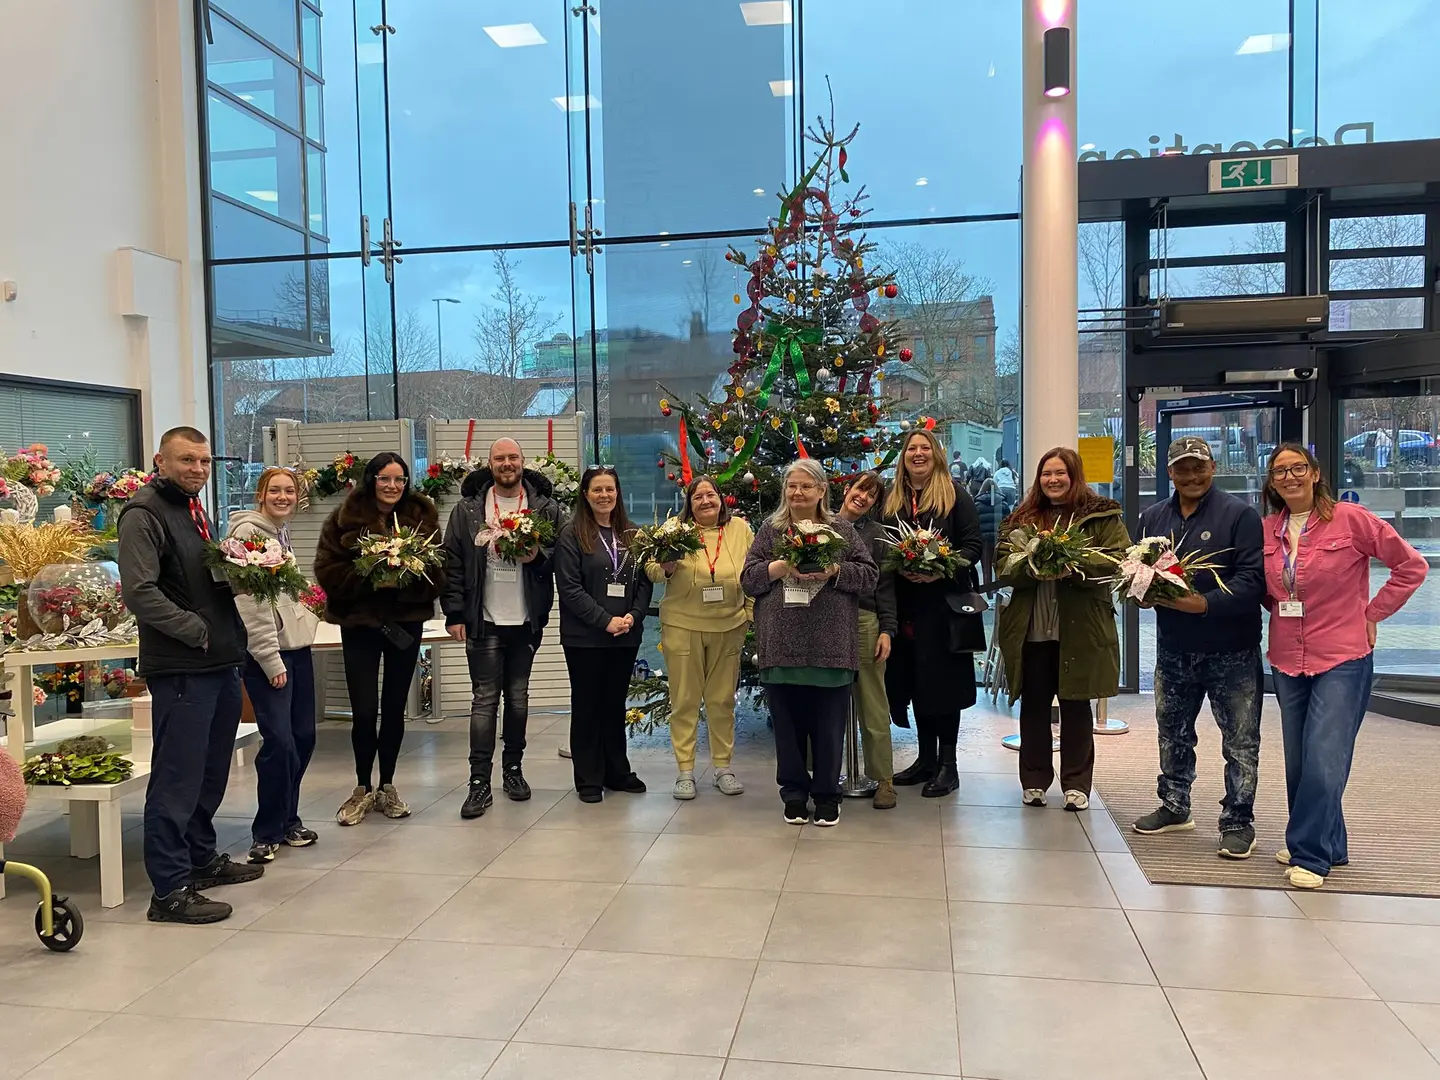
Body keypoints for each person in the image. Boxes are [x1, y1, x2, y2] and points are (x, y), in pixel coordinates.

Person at [1261, 444, 1426, 889]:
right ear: (1272, 482)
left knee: (1325, 757)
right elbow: (1268, 590)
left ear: (1315, 473)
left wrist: (1373, 613)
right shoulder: (1268, 530)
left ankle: (1311, 855)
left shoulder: (1351, 519)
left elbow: (1411, 566)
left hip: (1342, 656)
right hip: (1287, 657)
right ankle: (1329, 842)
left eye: (1298, 468)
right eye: (1280, 471)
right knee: (1299, 760)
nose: (1290, 477)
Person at [118, 426, 261, 925]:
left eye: (203, 461)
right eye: (186, 460)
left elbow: (202, 577)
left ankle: (200, 859)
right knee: (177, 778)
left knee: (210, 771)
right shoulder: (143, 513)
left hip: (218, 661)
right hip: (182, 666)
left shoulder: (194, 509)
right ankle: (169, 889)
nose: (198, 469)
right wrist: (196, 630)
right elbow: (139, 591)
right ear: (160, 461)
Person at [1132, 436, 1266, 860]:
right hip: (1174, 647)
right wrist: (1139, 593)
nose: (1191, 476)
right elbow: (1137, 571)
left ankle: (1238, 822)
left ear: (1213, 468)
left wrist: (1204, 603)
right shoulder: (1152, 517)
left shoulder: (1240, 515)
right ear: (1169, 472)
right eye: (1182, 468)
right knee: (1172, 732)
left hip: (1232, 650)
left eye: (1199, 467)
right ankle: (1175, 805)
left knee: (1240, 741)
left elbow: (1253, 581)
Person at [742, 458, 878, 826]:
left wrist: (834, 570)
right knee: (788, 731)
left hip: (830, 648)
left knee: (829, 730)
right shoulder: (771, 530)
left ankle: (827, 795)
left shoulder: (841, 530)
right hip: (781, 647)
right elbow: (748, 579)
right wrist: (781, 566)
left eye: (806, 486)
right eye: (792, 486)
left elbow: (869, 576)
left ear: (821, 491)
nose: (798, 492)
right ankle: (794, 794)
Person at [314, 452, 443, 826]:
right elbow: (326, 570)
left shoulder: (422, 517)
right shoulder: (343, 518)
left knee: (394, 708)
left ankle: (387, 785)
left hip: (405, 625)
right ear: (371, 480)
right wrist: (370, 576)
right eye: (385, 478)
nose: (392, 486)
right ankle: (362, 787)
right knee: (365, 709)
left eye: (399, 479)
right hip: (360, 626)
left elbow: (439, 573)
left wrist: (402, 581)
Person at [996, 448, 1128, 811]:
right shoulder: (1021, 517)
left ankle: (1076, 785)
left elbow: (1118, 560)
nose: (1052, 480)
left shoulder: (1102, 515)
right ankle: (1034, 780)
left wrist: (1073, 564)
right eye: (1046, 474)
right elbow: (1002, 565)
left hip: (1080, 628)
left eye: (1060, 473)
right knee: (1034, 706)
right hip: (1033, 628)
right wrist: (1031, 566)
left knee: (1076, 706)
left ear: (1074, 475)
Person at [441, 439, 566, 820]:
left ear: (523, 462)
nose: (507, 463)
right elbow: (452, 562)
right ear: (490, 464)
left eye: (513, 457)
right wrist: (454, 614)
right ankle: (478, 782)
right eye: (500, 458)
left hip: (526, 620)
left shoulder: (546, 508)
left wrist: (538, 557)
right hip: (484, 620)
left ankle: (513, 770)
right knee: (484, 701)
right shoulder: (467, 510)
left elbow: (562, 556)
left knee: (518, 699)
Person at [882, 429, 984, 798]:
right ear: (904, 456)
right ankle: (925, 759)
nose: (918, 453)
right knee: (916, 683)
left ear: (936, 454)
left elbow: (973, 545)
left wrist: (940, 568)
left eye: (925, 447)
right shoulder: (892, 498)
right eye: (912, 448)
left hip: (943, 608)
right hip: (905, 606)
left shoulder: (955, 494)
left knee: (944, 686)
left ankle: (948, 765)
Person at [228, 468, 320, 864]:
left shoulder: (279, 533)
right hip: (271, 657)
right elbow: (251, 605)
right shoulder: (248, 535)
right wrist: (269, 658)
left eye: (289, 491)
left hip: (296, 651)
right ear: (260, 494)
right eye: (275, 490)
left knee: (302, 738)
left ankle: (288, 820)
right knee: (280, 743)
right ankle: (266, 831)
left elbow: (285, 594)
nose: (283, 497)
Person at [645, 475, 753, 800]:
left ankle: (723, 768)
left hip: (729, 627)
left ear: (721, 499)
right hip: (683, 626)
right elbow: (651, 569)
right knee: (684, 700)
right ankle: (685, 771)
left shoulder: (740, 530)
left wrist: (749, 613)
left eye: (711, 495)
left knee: (722, 701)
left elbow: (754, 572)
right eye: (697, 497)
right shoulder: (675, 530)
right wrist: (665, 567)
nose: (705, 501)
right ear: (689, 504)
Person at [555, 466, 653, 803]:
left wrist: (633, 616)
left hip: (625, 634)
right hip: (585, 637)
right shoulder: (571, 534)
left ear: (617, 492)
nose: (604, 495)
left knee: (614, 705)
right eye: (597, 490)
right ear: (585, 494)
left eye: (609, 489)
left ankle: (616, 771)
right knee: (587, 706)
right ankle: (588, 777)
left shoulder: (633, 534)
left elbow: (645, 582)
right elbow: (569, 588)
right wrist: (604, 620)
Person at [836, 471, 898, 810]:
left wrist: (887, 629)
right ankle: (820, 774)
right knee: (823, 702)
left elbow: (885, 588)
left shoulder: (877, 535)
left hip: (864, 620)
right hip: (825, 621)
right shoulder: (820, 525)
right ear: (848, 489)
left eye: (871, 495)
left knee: (874, 703)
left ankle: (884, 779)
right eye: (861, 489)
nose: (863, 497)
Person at [973, 472, 1013, 591]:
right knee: (998, 566)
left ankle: (988, 592)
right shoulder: (1004, 504)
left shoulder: (976, 505)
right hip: (999, 540)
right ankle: (997, 590)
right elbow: (1008, 523)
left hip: (984, 541)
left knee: (986, 568)